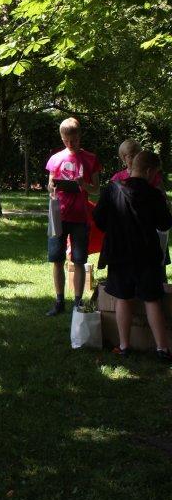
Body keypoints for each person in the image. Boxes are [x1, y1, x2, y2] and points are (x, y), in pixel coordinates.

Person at [93, 150, 172, 360]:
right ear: (148, 171)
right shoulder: (154, 195)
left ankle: (124, 346)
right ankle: (162, 349)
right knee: (152, 300)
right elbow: (165, 224)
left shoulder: (112, 190)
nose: (157, 177)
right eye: (156, 173)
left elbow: (98, 218)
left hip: (119, 254)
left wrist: (114, 227)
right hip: (147, 255)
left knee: (123, 298)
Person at [46, 118, 101, 316]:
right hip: (58, 216)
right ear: (62, 138)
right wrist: (52, 187)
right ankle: (59, 301)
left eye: (74, 140)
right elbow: (50, 185)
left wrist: (83, 185)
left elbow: (96, 189)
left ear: (80, 137)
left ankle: (78, 303)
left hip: (80, 217)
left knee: (79, 260)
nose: (71, 144)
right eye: (67, 140)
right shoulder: (55, 159)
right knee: (57, 259)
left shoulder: (90, 159)